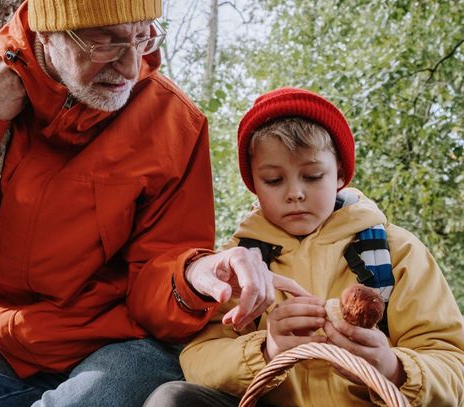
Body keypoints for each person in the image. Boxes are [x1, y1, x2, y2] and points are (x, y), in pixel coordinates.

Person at [0, 1, 290, 405]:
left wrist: (193, 274)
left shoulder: (171, 122)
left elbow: (158, 273)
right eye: (104, 41)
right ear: (46, 32)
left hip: (126, 343)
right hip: (8, 341)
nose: (131, 67)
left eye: (142, 37)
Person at [144, 87, 464, 406]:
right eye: (273, 180)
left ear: (339, 173)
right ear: (253, 184)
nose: (295, 193)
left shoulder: (398, 251)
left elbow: (452, 362)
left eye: (312, 176)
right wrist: (267, 351)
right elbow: (199, 358)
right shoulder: (237, 265)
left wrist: (393, 369)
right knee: (172, 398)